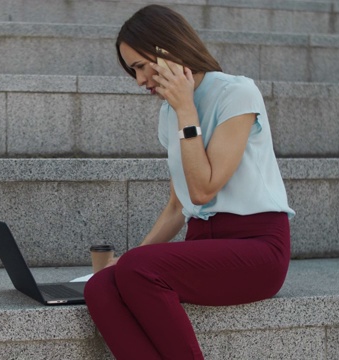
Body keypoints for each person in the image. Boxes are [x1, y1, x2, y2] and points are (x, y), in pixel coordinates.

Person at [83, 4, 295, 360]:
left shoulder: (237, 94)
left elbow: (203, 189)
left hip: (257, 248)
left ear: (166, 49)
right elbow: (179, 204)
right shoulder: (169, 113)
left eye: (139, 66)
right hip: (204, 249)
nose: (139, 81)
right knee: (102, 285)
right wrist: (127, 259)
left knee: (138, 267)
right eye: (132, 71)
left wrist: (186, 110)